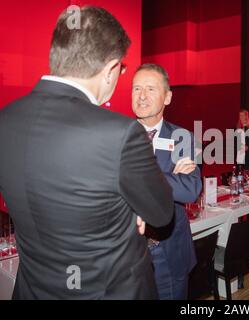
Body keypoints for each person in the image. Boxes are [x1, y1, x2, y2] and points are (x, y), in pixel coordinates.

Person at [0, 6, 174, 299]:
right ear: (109, 69)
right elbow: (160, 212)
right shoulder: (119, 133)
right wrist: (132, 206)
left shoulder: (6, 120)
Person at [131, 63, 201, 299]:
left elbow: (191, 189)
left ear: (168, 97)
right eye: (136, 88)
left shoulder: (182, 138)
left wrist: (134, 174)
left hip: (168, 250)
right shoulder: (116, 135)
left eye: (150, 89)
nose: (141, 96)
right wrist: (171, 177)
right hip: (126, 252)